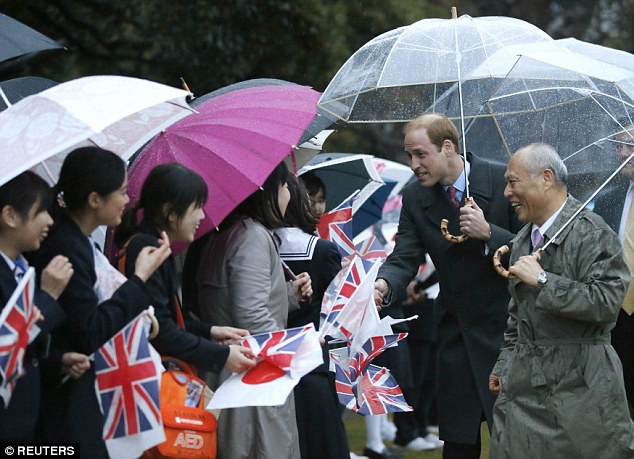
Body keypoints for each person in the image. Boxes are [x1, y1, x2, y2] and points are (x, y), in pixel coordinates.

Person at [373, 113, 520, 459]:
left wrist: (490, 234)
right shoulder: (414, 198)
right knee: (458, 443)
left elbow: (537, 249)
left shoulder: (505, 179)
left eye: (421, 154)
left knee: (516, 441)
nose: (413, 164)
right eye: (409, 155)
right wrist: (384, 285)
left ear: (448, 147)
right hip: (456, 336)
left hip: (511, 336)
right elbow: (403, 257)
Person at [488, 142, 634, 458]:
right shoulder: (523, 239)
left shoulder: (593, 233)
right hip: (524, 392)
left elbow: (607, 303)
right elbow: (517, 317)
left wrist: (543, 281)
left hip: (580, 392)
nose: (506, 193)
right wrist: (504, 365)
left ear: (546, 178)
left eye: (513, 182)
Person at [31, 147, 171, 457]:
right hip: (64, 401)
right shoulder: (66, 247)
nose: (127, 199)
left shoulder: (78, 240)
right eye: (121, 192)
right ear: (95, 199)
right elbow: (91, 332)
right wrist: (138, 280)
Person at [195, 161, 312, 459]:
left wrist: (288, 293)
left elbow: (242, 299)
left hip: (233, 373)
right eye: (286, 186)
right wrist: (296, 350)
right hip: (253, 380)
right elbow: (252, 316)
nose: (289, 194)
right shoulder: (252, 237)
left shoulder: (228, 234)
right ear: (268, 190)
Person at [114, 163, 256, 376]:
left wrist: (210, 331)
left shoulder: (155, 245)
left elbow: (164, 321)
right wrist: (221, 354)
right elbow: (159, 331)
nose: (201, 216)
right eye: (196, 206)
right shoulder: (149, 250)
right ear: (170, 212)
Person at [0, 171, 88, 442]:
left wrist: (55, 362)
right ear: (11, 216)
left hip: (26, 420)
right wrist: (48, 296)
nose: (50, 220)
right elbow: (6, 344)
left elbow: (23, 351)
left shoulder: (23, 269)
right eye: (42, 211)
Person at [274, 174, 349, 459]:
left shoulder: (257, 242)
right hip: (313, 361)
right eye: (311, 200)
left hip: (272, 357)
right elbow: (336, 311)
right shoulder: (323, 250)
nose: (317, 208)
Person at [592, 124, 634, 413]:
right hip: (617, 316)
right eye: (618, 146)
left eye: (629, 147)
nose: (621, 154)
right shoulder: (608, 200)